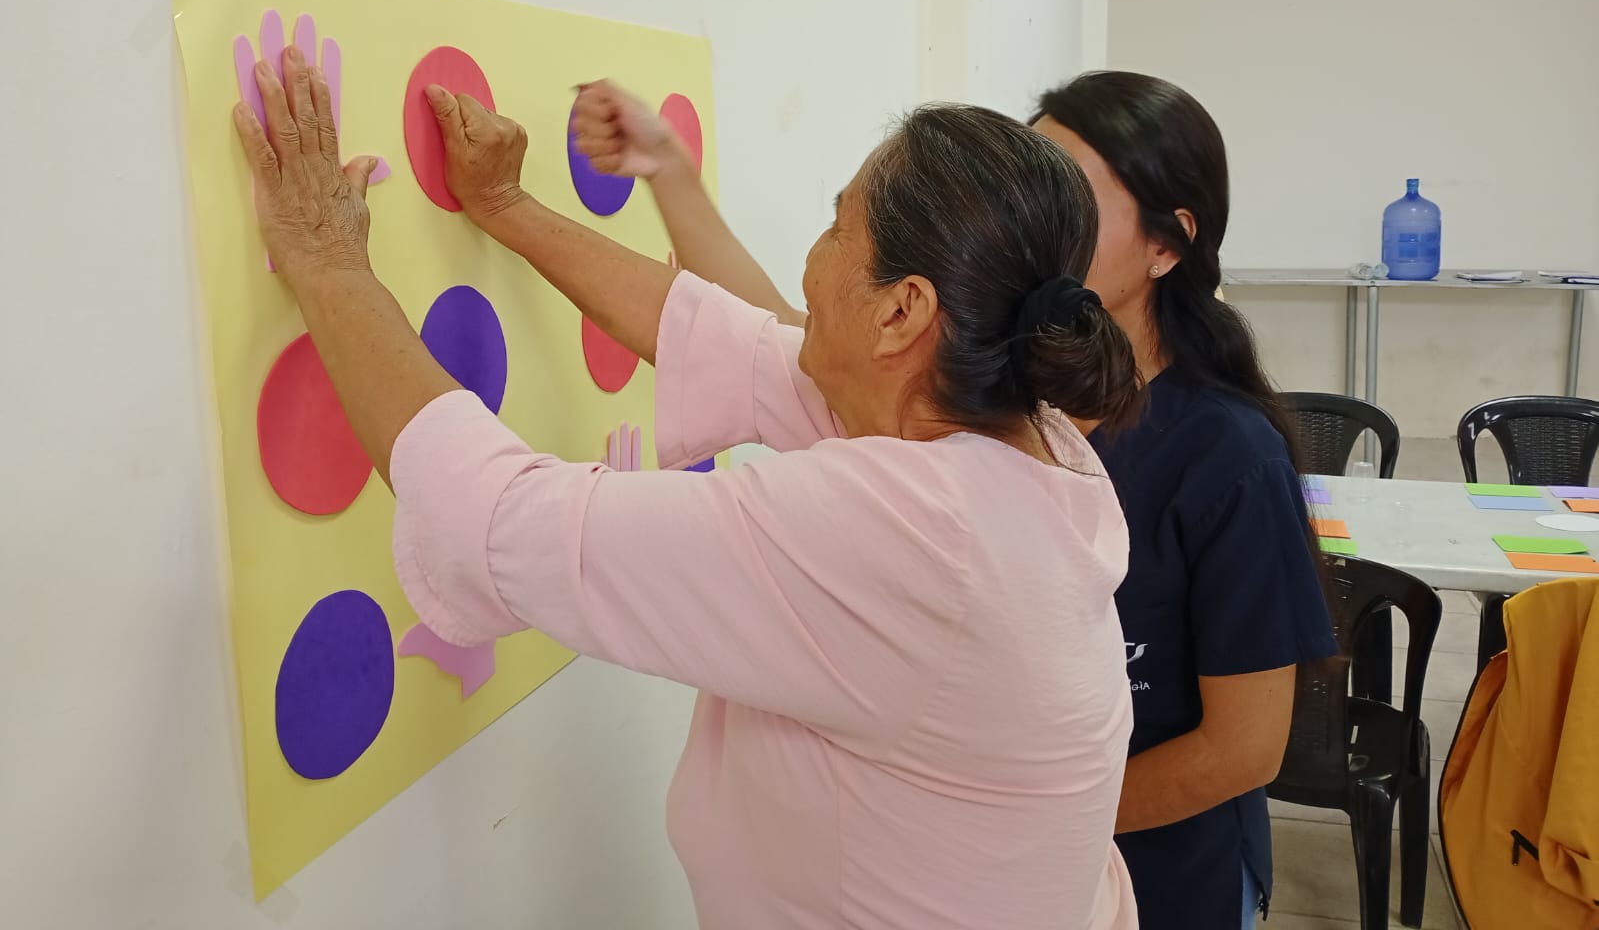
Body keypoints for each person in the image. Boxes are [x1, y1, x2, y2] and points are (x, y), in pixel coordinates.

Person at [231, 46, 1143, 930]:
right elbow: (726, 340)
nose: (813, 262)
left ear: (901, 311)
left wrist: (326, 260)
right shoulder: (1020, 434)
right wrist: (506, 205)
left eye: (837, 227)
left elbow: (491, 520)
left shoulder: (913, 534)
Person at [575, 71, 1338, 928]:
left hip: (1156, 883)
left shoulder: (1227, 456)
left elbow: (1244, 748)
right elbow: (779, 342)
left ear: (1167, 245)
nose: (1030, 208)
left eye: (1069, 192)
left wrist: (1023, 822)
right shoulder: (986, 387)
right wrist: (669, 171)